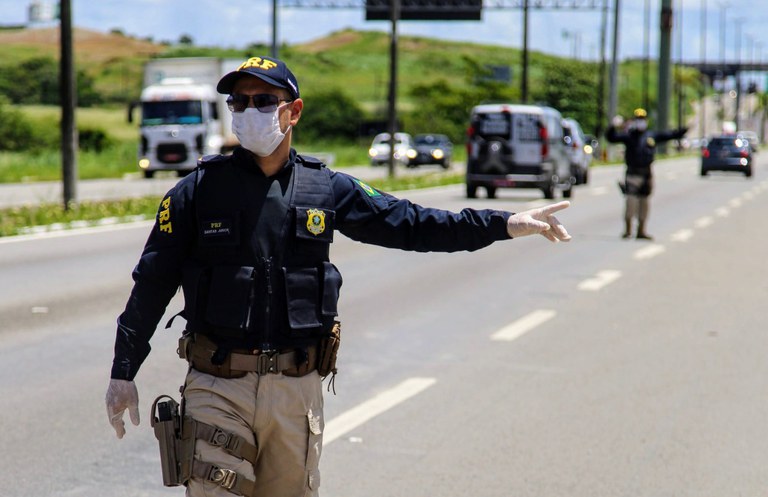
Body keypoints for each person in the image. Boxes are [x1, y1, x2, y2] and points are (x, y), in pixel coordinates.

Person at [105, 55, 572, 497]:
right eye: (238, 102)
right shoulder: (194, 192)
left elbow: (411, 223)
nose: (249, 111)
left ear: (293, 111)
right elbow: (152, 283)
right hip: (217, 386)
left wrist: (505, 223)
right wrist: (123, 371)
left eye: (263, 101)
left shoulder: (325, 187)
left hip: (296, 391)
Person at [606, 108, 687, 240]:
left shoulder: (651, 136)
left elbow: (668, 135)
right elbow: (611, 138)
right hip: (632, 174)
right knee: (631, 203)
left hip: (646, 175)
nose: (640, 122)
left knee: (644, 204)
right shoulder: (629, 136)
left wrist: (682, 131)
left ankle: (641, 231)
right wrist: (613, 126)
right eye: (638, 119)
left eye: (642, 119)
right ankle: (628, 230)